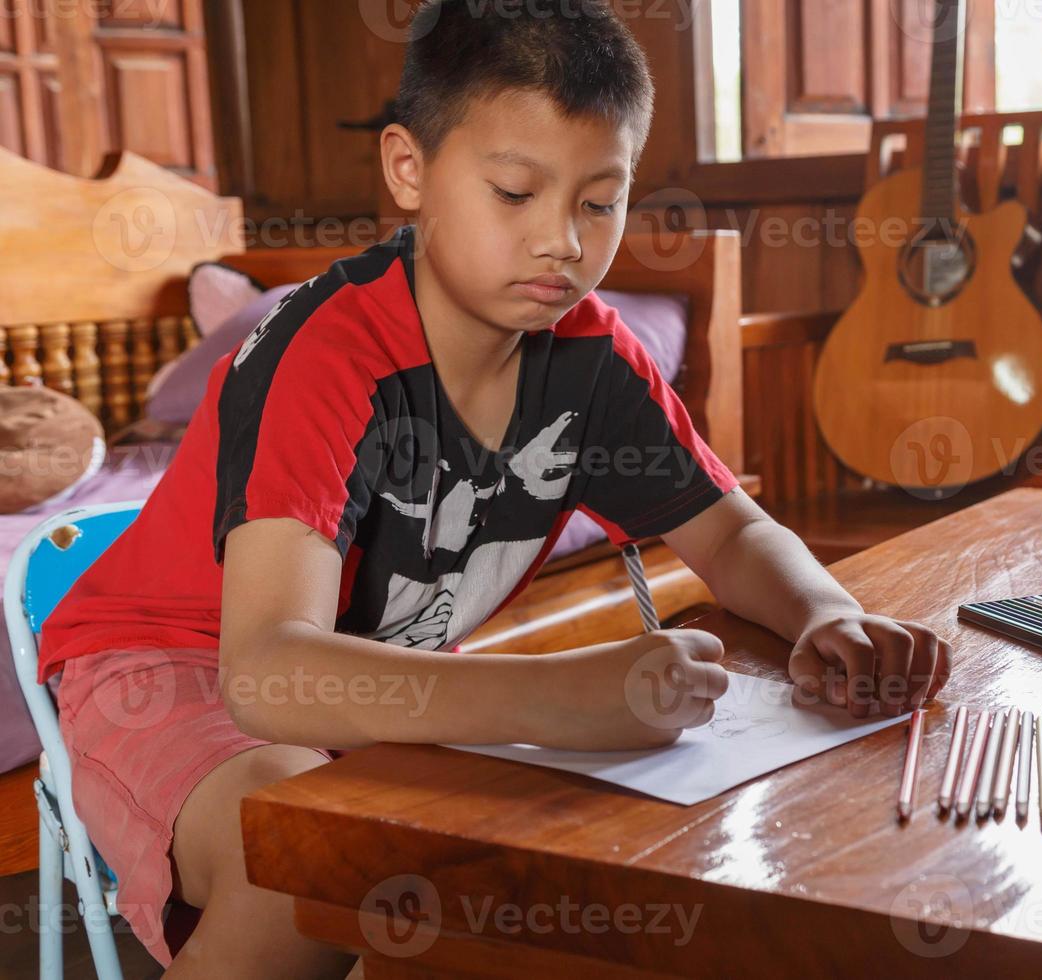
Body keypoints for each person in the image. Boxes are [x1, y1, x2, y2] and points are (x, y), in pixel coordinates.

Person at [39, 2, 952, 975]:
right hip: (180, 666)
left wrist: (825, 612)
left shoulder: (592, 362)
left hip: (374, 678)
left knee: (514, 880)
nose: (561, 239)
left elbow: (730, 537)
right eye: (516, 192)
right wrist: (552, 696)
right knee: (296, 844)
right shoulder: (328, 355)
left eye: (599, 202)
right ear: (410, 170)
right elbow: (264, 672)